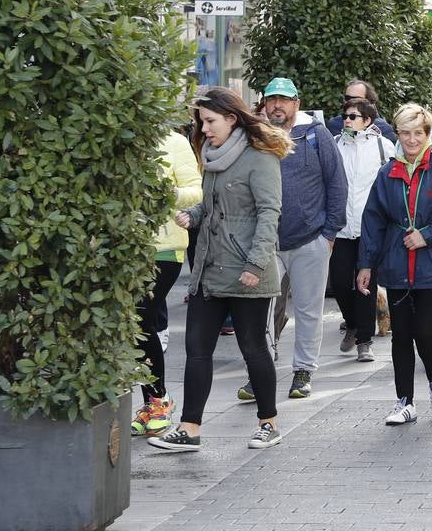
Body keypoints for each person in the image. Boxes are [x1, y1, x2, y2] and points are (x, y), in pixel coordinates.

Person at [150, 87, 290, 453]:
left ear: (231, 118)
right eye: (201, 122)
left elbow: (268, 214)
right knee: (197, 348)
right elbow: (212, 207)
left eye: (210, 121)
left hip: (247, 271)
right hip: (210, 269)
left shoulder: (260, 158)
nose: (204, 129)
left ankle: (268, 423)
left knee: (253, 347)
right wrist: (192, 216)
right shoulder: (212, 157)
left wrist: (256, 263)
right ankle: (189, 428)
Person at [357, 104, 432, 426]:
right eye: (404, 133)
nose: (411, 139)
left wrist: (427, 235)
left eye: (417, 133)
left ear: (428, 133)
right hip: (396, 264)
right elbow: (373, 219)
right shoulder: (387, 171)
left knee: (423, 330)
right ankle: (404, 401)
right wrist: (366, 264)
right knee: (401, 334)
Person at [238, 77, 346, 402]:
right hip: (267, 242)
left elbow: (337, 184)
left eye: (284, 100)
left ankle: (303, 371)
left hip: (311, 238)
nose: (277, 106)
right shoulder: (256, 137)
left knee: (309, 310)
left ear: (296, 103)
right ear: (264, 104)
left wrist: (329, 234)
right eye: (272, 99)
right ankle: (260, 372)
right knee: (262, 309)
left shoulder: (316, 135)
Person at [131, 127, 203, 437]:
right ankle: (153, 401)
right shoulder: (120, 141)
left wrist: (166, 192)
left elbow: (196, 190)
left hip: (164, 248)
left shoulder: (174, 142)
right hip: (125, 247)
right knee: (137, 325)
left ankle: (158, 400)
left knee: (142, 321)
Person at [330, 98, 391, 362]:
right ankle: (352, 323)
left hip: (371, 228)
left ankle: (364, 341)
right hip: (342, 227)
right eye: (345, 116)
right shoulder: (334, 144)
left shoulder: (383, 146)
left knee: (366, 285)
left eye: (353, 116)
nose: (347, 120)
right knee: (341, 282)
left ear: (367, 120)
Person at [325, 79, 397, 142]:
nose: (351, 102)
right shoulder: (334, 125)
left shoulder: (383, 128)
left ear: (369, 101)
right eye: (347, 98)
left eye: (356, 99)